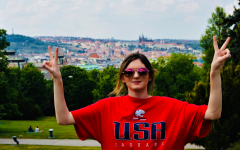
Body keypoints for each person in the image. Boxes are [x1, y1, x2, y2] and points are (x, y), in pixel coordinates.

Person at [42, 36, 231, 150]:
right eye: (129, 72)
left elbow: (213, 113)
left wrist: (214, 73)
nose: (135, 75)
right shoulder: (106, 108)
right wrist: (58, 80)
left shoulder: (172, 107)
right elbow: (63, 118)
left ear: (149, 77)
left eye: (142, 72)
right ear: (123, 78)